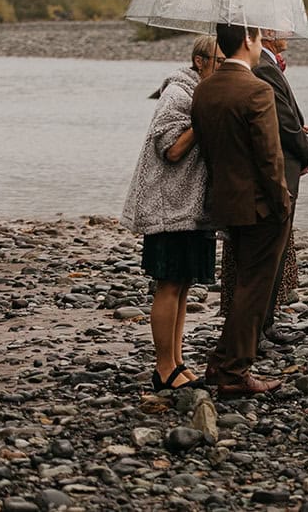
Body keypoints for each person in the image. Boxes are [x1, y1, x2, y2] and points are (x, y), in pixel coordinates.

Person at [193, 23, 292, 398]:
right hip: (261, 206)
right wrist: (282, 202)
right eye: (257, 37)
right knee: (255, 289)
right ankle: (235, 371)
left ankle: (222, 360)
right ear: (249, 41)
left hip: (225, 201)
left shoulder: (204, 89)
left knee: (242, 287)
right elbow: (270, 158)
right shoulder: (257, 90)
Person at [121, 35, 224, 391]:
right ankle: (163, 367)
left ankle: (177, 362)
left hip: (190, 209)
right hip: (168, 208)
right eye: (219, 61)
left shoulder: (200, 93)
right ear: (200, 61)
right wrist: (202, 120)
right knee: (168, 285)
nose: (223, 67)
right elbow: (171, 149)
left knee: (182, 286)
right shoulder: (178, 94)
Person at [254, 29, 308, 342]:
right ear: (266, 34)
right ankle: (261, 327)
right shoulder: (264, 68)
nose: (287, 33)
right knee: (271, 252)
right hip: (280, 168)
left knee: (276, 251)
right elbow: (282, 122)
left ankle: (265, 323)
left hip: (284, 165)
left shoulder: (269, 64)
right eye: (280, 28)